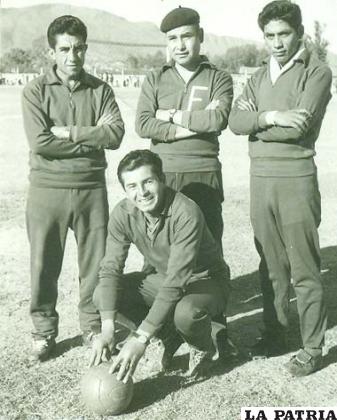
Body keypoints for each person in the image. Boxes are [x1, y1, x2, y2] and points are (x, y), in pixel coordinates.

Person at [229, 0, 332, 376]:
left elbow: (299, 128)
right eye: (269, 36)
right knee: (271, 265)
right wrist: (271, 116)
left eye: (284, 34)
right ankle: (276, 333)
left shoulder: (317, 73)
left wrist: (258, 128)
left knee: (304, 267)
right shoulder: (258, 77)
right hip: (261, 180)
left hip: (296, 178)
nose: (276, 43)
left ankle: (313, 346)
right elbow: (235, 121)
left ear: (300, 33)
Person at [22, 15, 125, 361]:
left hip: (91, 189)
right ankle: (43, 331)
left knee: (95, 264)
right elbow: (41, 142)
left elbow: (115, 135)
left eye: (79, 48)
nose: (73, 57)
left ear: (85, 48)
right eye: (64, 49)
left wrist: (71, 132)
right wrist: (91, 138)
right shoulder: (35, 90)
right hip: (47, 189)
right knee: (43, 264)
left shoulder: (101, 89)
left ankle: (92, 325)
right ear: (52, 52)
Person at [90, 150, 231, 382]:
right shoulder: (122, 213)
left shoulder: (186, 212)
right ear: (125, 190)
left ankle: (203, 347)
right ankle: (167, 336)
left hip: (206, 282)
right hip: (165, 279)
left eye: (148, 182)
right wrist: (107, 327)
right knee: (103, 295)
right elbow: (110, 270)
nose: (142, 192)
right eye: (132, 186)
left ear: (162, 180)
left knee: (187, 313)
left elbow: (177, 281)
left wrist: (140, 337)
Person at [135, 7, 233, 253]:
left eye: (186, 36)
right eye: (172, 38)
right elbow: (143, 124)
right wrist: (195, 126)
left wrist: (169, 116)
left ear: (200, 35)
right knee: (159, 247)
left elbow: (218, 119)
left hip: (204, 172)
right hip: (163, 172)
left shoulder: (218, 78)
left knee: (207, 245)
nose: (179, 45)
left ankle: (211, 292)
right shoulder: (155, 78)